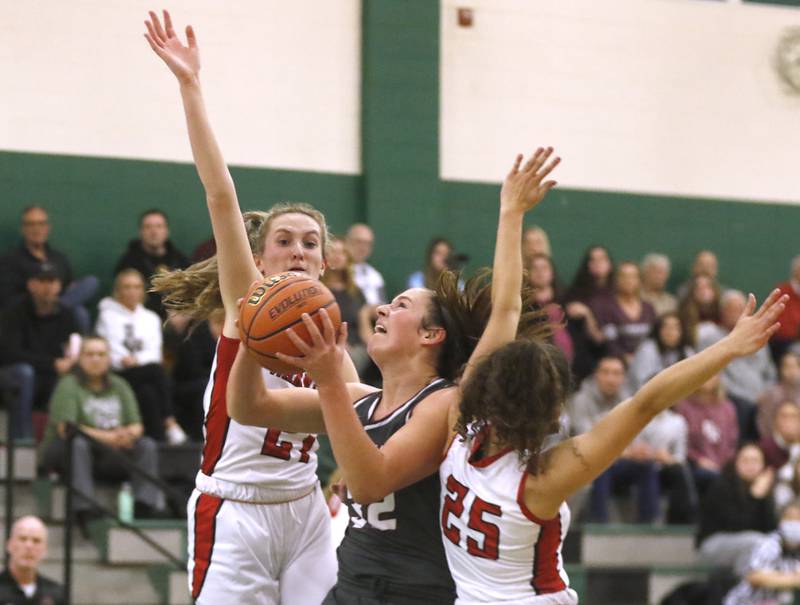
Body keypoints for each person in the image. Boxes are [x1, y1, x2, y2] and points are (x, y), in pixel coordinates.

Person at [277, 238, 789, 598]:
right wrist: (727, 349)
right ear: (551, 414)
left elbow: (504, 312)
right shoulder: (541, 481)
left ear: (484, 388)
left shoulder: (458, 430)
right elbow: (645, 402)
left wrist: (512, 211)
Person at [227, 148, 562, 604]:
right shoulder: (361, 399)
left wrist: (511, 213)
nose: (383, 307)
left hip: (415, 593)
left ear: (432, 335)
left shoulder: (446, 404)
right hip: (351, 587)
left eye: (401, 305)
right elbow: (249, 408)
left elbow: (370, 482)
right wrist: (254, 330)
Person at [142, 11, 359, 604]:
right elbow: (220, 192)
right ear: (261, 259)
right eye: (284, 241)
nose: (297, 250)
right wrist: (190, 85)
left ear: (324, 262)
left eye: (309, 243)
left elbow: (370, 413)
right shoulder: (250, 300)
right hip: (234, 507)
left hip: (305, 507)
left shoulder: (335, 341)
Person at [41, 336, 164, 534]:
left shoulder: (120, 384)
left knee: (146, 445)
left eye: (101, 354)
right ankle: (83, 509)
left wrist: (127, 434)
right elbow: (67, 429)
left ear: (108, 359)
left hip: (108, 454)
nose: (96, 359)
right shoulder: (68, 384)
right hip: (65, 455)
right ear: (80, 359)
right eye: (90, 354)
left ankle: (145, 505)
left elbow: (137, 425)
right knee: (78, 443)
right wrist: (111, 438)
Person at [95, 269, 186, 444]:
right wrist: (125, 359)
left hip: (145, 373)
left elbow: (154, 351)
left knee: (148, 393)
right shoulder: (106, 315)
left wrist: (137, 360)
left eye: (136, 287)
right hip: (119, 373)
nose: (131, 291)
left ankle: (158, 439)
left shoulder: (150, 318)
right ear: (118, 290)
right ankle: (170, 421)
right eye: (126, 287)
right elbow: (108, 347)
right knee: (156, 372)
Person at [570, 357, 660, 523]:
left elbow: (636, 434)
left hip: (619, 461)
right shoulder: (581, 400)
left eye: (616, 373)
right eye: (606, 373)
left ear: (624, 378)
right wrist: (625, 451)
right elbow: (587, 439)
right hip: (586, 463)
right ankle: (599, 525)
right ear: (596, 375)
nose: (611, 379)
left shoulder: (628, 400)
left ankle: (648, 526)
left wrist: (641, 450)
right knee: (600, 468)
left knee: (647, 467)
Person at [0, 264, 81, 439]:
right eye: (42, 281)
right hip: (13, 374)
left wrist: (71, 359)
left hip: (49, 375)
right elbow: (9, 354)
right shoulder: (14, 313)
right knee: (24, 373)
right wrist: (52, 364)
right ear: (31, 285)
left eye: (52, 281)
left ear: (59, 286)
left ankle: (63, 441)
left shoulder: (67, 315)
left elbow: (75, 344)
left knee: (74, 374)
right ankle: (23, 441)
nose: (48, 287)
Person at [0, 205, 98, 333]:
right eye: (31, 224)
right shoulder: (11, 260)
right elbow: (8, 299)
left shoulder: (59, 258)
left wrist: (56, 298)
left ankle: (57, 308)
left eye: (41, 224)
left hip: (60, 314)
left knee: (91, 282)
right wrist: (38, 294)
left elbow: (70, 287)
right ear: (23, 229)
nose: (37, 229)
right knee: (79, 312)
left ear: (47, 227)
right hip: (30, 313)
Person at [699, 290, 777, 442]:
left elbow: (770, 373)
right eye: (732, 309)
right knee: (740, 406)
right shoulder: (711, 338)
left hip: (760, 399)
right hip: (732, 397)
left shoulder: (758, 338)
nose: (737, 313)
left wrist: (765, 393)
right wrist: (743, 394)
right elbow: (712, 375)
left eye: (741, 308)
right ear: (722, 312)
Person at [697, 443, 777, 574]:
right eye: (745, 460)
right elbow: (735, 526)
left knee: (767, 544)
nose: (751, 465)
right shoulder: (721, 486)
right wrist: (754, 497)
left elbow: (770, 528)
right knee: (757, 542)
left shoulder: (764, 487)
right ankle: (741, 590)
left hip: (750, 543)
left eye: (755, 461)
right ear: (736, 463)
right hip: (712, 545)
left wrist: (763, 499)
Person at [115, 208, 189, 319]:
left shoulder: (180, 260)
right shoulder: (129, 262)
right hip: (142, 318)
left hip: (179, 318)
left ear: (166, 231)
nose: (154, 232)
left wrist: (181, 313)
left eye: (159, 226)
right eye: (148, 227)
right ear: (141, 232)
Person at [724, 501, 800, 605]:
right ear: (781, 520)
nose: (795, 523)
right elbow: (754, 576)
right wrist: (792, 579)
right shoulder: (770, 544)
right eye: (790, 518)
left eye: (798, 519)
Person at [676, 373, 739, 496]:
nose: (708, 378)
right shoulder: (684, 407)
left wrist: (725, 464)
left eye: (713, 374)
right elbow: (682, 442)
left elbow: (733, 441)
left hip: (724, 465)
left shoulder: (728, 408)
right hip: (695, 466)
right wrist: (698, 460)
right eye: (705, 373)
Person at [321, 237, 373, 375]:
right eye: (333, 251)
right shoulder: (318, 290)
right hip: (328, 347)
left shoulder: (356, 292)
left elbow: (364, 327)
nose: (338, 256)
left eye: (343, 252)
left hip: (356, 347)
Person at [589, 261, 657, 362]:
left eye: (633, 276)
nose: (628, 280)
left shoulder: (648, 308)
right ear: (617, 280)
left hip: (647, 363)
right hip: (616, 366)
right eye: (624, 276)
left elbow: (653, 338)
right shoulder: (605, 307)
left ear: (639, 280)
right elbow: (609, 341)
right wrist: (626, 359)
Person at [563, 245, 613, 382]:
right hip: (587, 358)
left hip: (616, 353)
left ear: (610, 264)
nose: (598, 264)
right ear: (587, 265)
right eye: (593, 260)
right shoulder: (575, 294)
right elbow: (596, 339)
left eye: (602, 259)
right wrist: (587, 315)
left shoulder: (617, 294)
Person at [0, 516, 64, 605]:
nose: (29, 546)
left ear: (45, 550)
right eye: (22, 539)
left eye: (36, 541)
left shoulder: (56, 593)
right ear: (9, 545)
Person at [628, 312, 694, 391]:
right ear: (658, 330)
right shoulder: (647, 349)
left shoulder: (686, 350)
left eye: (675, 328)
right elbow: (642, 385)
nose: (670, 333)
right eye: (666, 328)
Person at [526, 253, 573, 362]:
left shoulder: (567, 299)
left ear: (552, 272)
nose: (540, 272)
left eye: (544, 267)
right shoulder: (523, 304)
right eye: (535, 268)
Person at [757, 351, 800, 438]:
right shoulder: (772, 393)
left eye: (795, 366)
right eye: (787, 366)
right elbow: (763, 422)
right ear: (781, 370)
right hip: (774, 442)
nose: (791, 371)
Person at [346, 223, 386, 306]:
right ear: (347, 241)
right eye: (359, 242)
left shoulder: (375, 276)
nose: (363, 247)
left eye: (368, 244)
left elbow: (381, 305)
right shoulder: (335, 273)